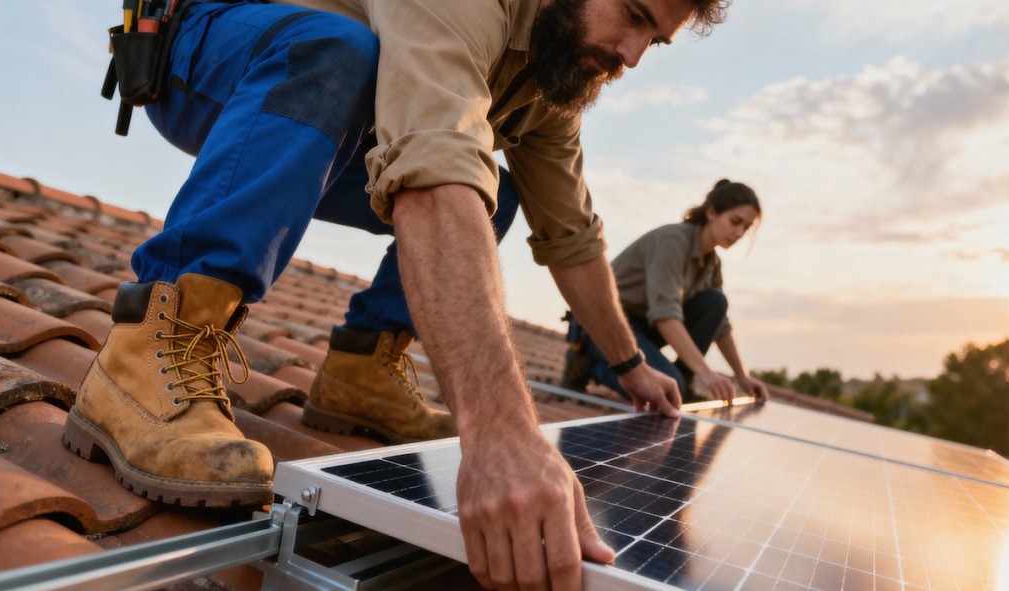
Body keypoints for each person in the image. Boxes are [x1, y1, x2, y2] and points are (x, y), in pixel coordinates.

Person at [64, 0, 731, 588]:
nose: (634, 56)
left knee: (496, 191)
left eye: (657, 41)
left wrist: (627, 363)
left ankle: (362, 370)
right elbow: (434, 171)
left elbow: (572, 236)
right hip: (208, 45)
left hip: (325, 99)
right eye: (636, 16)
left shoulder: (551, 77)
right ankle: (150, 344)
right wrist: (500, 435)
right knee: (340, 54)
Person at [563, 179, 770, 404]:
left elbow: (721, 326)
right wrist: (707, 374)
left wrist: (742, 377)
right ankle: (586, 365)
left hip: (642, 328)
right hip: (604, 327)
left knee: (715, 302)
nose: (739, 232)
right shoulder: (672, 241)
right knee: (667, 392)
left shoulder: (712, 263)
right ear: (711, 212)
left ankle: (683, 382)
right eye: (735, 221)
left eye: (746, 227)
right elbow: (665, 316)